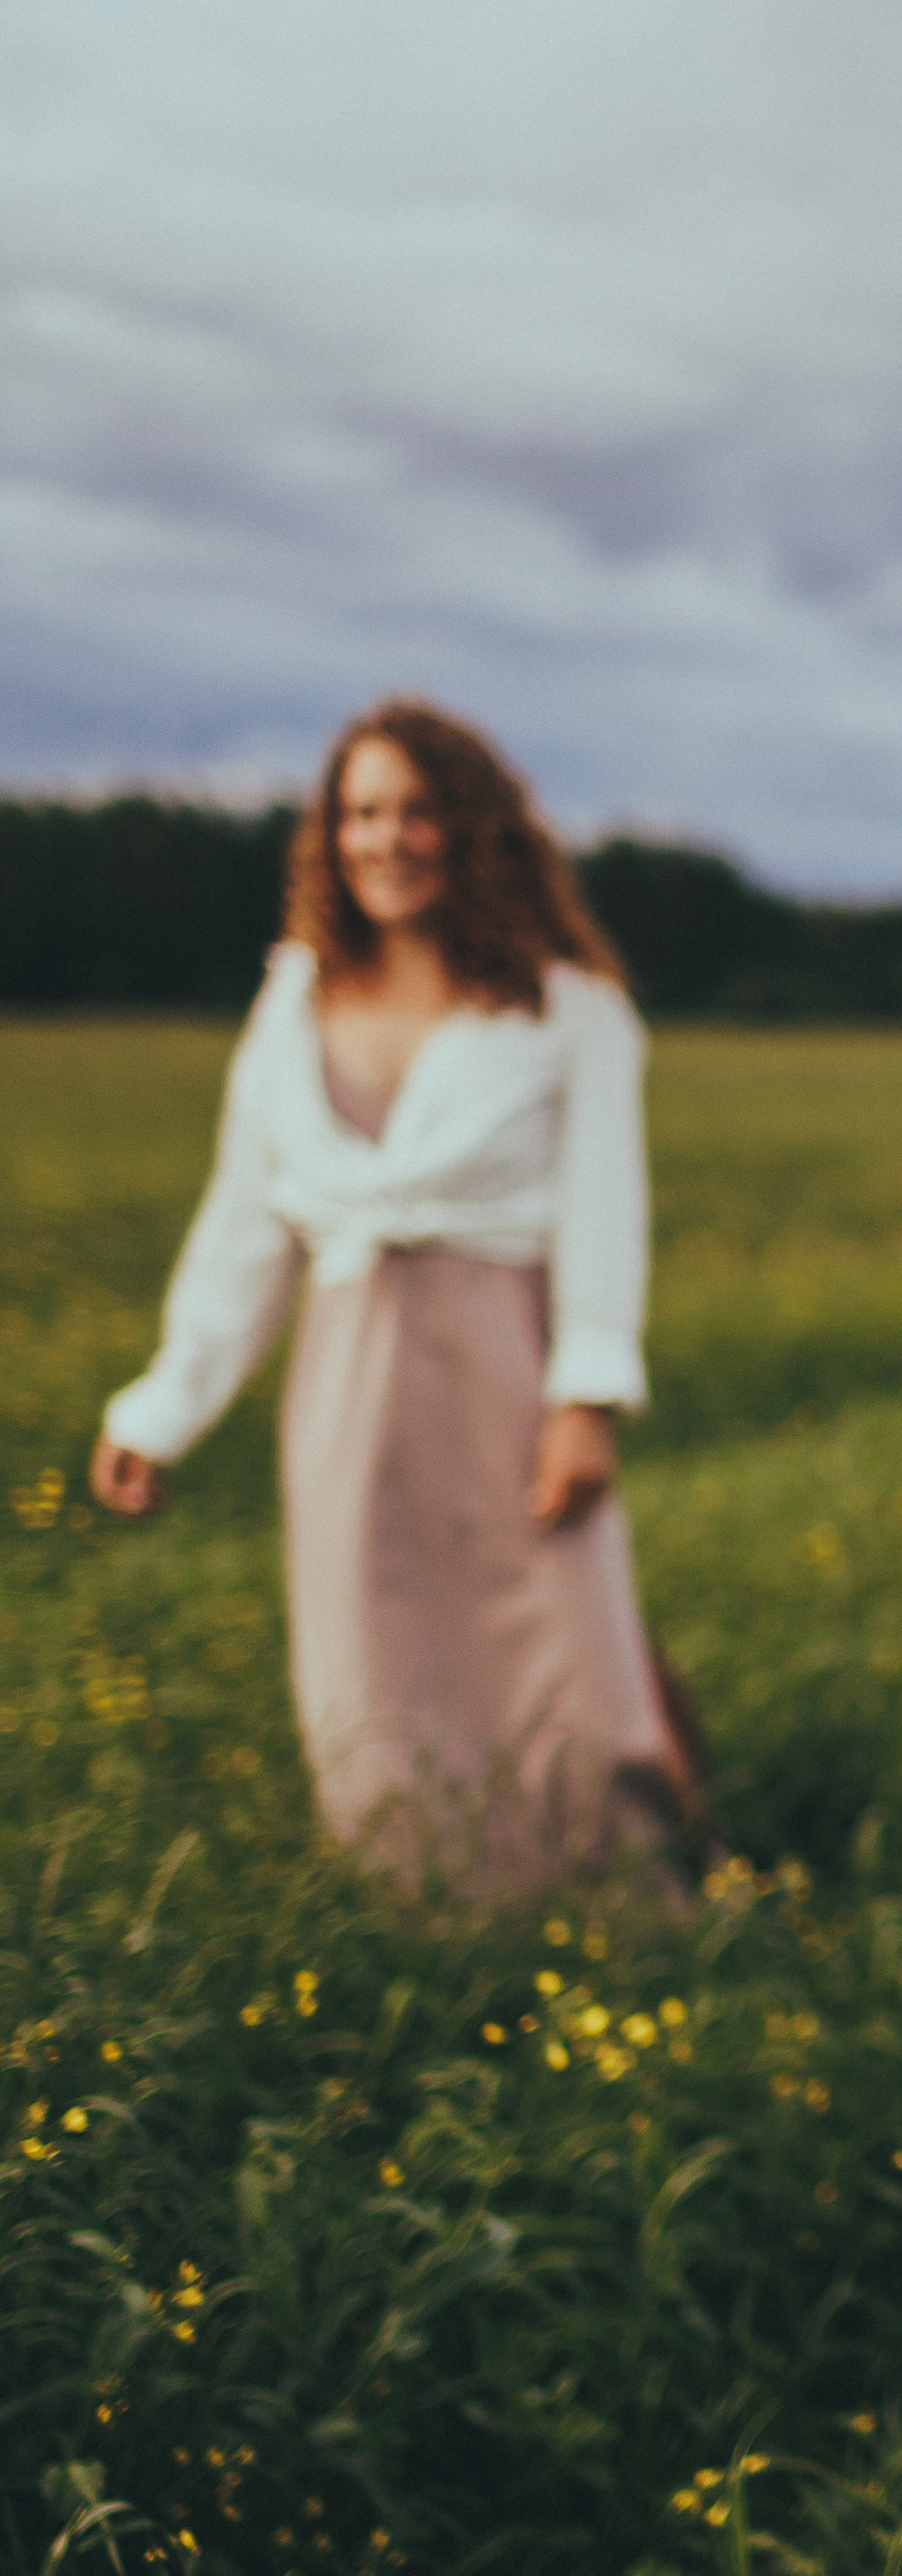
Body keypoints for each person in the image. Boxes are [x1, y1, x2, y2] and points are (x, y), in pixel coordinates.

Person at [91, 697, 693, 1891]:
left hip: (509, 1373)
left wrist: (585, 1399)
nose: (386, 839)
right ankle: (427, 1927)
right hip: (348, 1388)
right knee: (382, 1664)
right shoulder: (292, 1003)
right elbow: (245, 1228)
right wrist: (162, 1407)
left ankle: (624, 1923)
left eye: (418, 811)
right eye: (361, 814)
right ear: (331, 837)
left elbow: (604, 1211)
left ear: (474, 827)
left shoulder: (569, 1005)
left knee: (567, 1655)